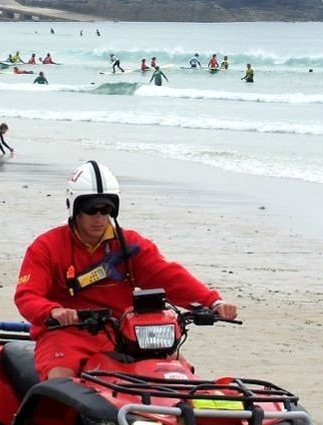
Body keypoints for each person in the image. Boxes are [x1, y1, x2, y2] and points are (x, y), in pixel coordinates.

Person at [14, 161, 238, 380]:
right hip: (66, 333)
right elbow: (27, 295)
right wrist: (53, 311)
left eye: (106, 209)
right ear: (74, 207)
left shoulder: (129, 244)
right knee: (60, 382)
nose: (99, 218)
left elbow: (169, 275)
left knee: (179, 374)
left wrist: (213, 302)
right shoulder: (47, 246)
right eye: (91, 209)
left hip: (124, 332)